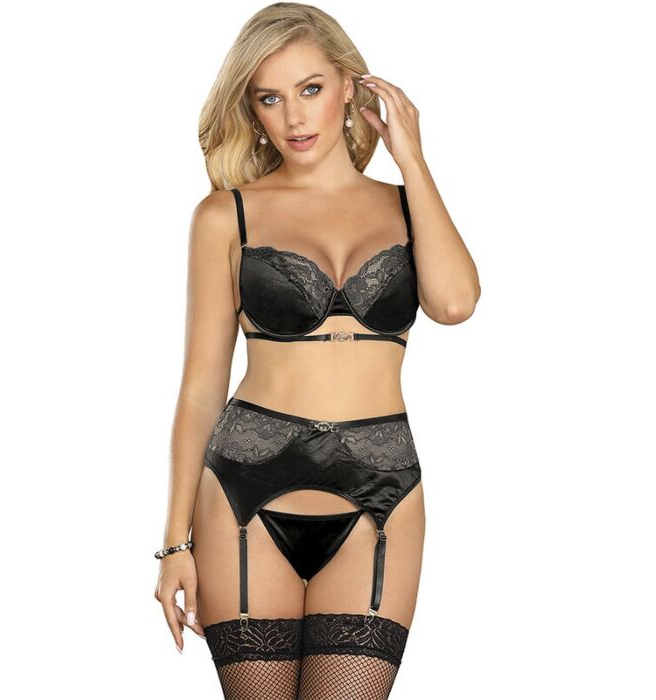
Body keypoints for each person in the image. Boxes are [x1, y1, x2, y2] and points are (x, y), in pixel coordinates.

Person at [154, 3, 480, 698]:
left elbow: (455, 304)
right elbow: (201, 387)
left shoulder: (406, 205)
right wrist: (175, 543)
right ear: (252, 109)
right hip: (244, 490)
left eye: (310, 89)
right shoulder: (226, 215)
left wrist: (413, 159)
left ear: (350, 86)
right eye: (269, 98)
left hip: (382, 490)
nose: (294, 118)